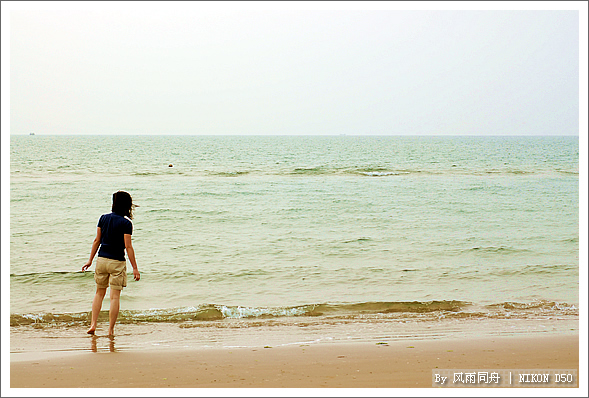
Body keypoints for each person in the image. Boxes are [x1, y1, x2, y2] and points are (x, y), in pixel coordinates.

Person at [82, 191, 140, 336]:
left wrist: (90, 260)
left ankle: (93, 324)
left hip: (101, 260)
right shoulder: (126, 223)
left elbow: (97, 240)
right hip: (117, 262)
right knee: (114, 297)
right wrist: (135, 268)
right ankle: (110, 330)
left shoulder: (103, 218)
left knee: (99, 293)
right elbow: (128, 246)